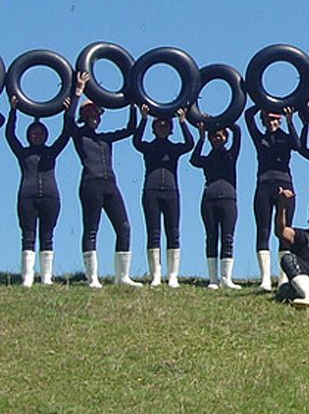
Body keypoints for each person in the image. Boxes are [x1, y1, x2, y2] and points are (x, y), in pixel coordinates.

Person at [68, 71, 140, 288]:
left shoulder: (105, 138)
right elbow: (69, 120)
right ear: (85, 116)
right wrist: (78, 93)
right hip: (90, 184)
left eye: (98, 114)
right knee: (92, 228)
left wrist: (133, 106)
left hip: (110, 184)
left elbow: (130, 129)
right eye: (92, 114)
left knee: (124, 226)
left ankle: (122, 277)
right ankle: (92, 278)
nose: (96, 117)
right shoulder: (79, 135)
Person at [5, 91, 70, 287]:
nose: (37, 135)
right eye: (33, 132)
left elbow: (66, 135)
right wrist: (13, 111)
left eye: (40, 132)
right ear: (29, 135)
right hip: (27, 197)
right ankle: (27, 277)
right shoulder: (23, 153)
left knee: (47, 235)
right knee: (28, 235)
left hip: (51, 198)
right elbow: (9, 135)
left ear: (45, 135)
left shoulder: (51, 152)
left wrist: (67, 112)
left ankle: (46, 277)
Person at [133, 105, 194, 288]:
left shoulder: (174, 148)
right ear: (154, 128)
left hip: (171, 192)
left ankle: (173, 275)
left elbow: (189, 144)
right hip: (151, 192)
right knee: (153, 233)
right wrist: (143, 119)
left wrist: (183, 122)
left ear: (170, 128)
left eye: (166, 125)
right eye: (159, 125)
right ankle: (156, 275)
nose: (162, 128)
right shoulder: (148, 147)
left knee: (173, 233)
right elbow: (136, 141)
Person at [245, 104, 299, 292]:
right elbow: (247, 116)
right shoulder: (260, 138)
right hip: (263, 186)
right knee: (263, 230)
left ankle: (283, 279)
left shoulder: (286, 137)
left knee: (284, 231)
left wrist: (290, 121)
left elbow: (297, 145)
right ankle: (265, 279)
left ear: (279, 120)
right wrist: (263, 100)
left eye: (274, 119)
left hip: (285, 185)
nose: (271, 123)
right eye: (267, 120)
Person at [190, 120, 242, 290]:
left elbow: (238, 131)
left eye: (221, 135)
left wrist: (219, 120)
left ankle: (226, 278)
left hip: (228, 199)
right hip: (209, 200)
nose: (217, 138)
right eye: (215, 136)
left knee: (228, 237)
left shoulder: (231, 154)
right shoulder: (207, 158)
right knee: (211, 237)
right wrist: (202, 137)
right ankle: (213, 278)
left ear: (226, 137)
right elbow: (194, 159)